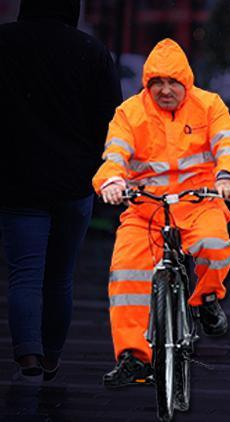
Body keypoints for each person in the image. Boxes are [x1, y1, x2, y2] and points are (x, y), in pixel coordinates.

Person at [94, 38, 230, 388]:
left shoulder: (209, 105)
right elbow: (115, 153)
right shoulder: (130, 112)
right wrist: (113, 181)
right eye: (155, 82)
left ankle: (207, 299)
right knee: (127, 274)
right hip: (146, 207)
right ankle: (134, 357)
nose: (164, 90)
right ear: (146, 84)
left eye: (172, 82)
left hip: (199, 202)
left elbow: (226, 144)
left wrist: (226, 178)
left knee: (214, 245)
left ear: (186, 83)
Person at [0, 0, 122, 383]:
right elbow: (111, 120)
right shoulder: (91, 52)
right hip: (74, 182)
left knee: (24, 274)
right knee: (60, 276)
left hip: (17, 181)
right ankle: (52, 354)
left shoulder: (4, 44)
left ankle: (28, 355)